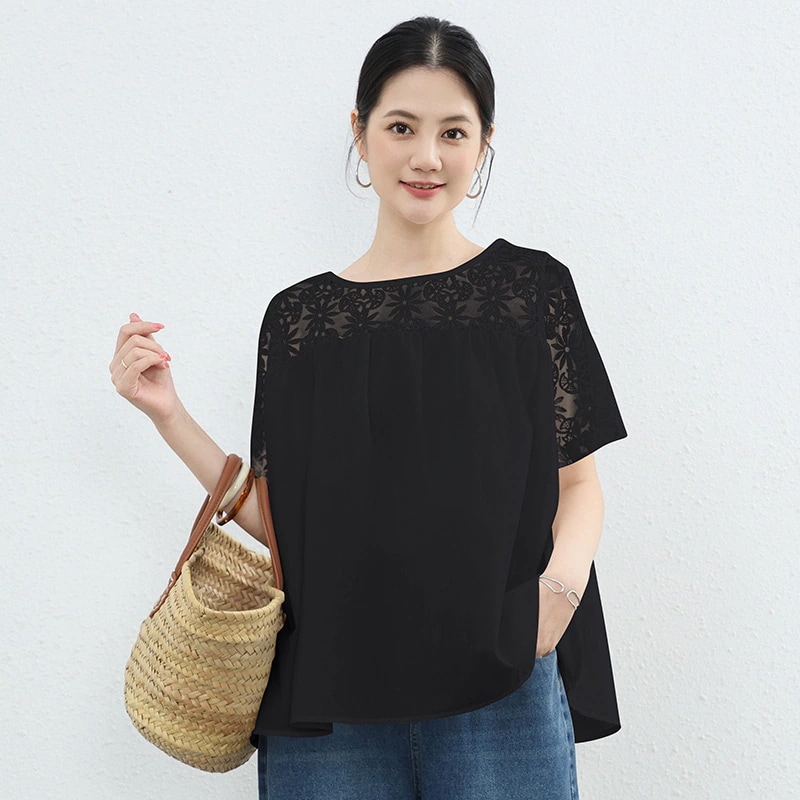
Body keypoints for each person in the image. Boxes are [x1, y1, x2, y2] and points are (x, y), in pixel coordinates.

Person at [110, 16, 627, 800]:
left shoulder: (531, 292)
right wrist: (167, 414)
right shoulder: (301, 322)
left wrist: (555, 598)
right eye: (401, 127)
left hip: (504, 687)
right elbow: (283, 528)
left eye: (454, 132)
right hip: (334, 704)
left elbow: (579, 485)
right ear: (359, 132)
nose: (427, 157)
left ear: (485, 141)